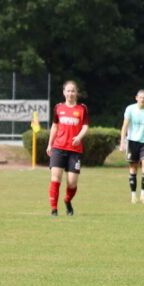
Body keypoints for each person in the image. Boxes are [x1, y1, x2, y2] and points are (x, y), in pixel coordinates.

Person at [45, 80, 89, 216]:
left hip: (74, 151)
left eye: (73, 91)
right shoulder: (58, 108)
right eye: (68, 91)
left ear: (77, 93)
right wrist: (50, 144)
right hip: (58, 148)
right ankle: (54, 209)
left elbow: (85, 126)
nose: (70, 93)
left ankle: (67, 200)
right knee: (55, 178)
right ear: (64, 92)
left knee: (72, 183)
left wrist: (79, 137)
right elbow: (54, 126)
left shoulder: (82, 109)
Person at [119, 89, 144, 204]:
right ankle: (133, 195)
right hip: (132, 141)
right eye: (140, 97)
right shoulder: (130, 109)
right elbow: (124, 126)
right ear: (136, 98)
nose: (142, 99)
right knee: (133, 168)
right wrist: (122, 142)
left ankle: (143, 195)